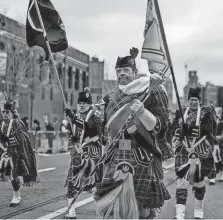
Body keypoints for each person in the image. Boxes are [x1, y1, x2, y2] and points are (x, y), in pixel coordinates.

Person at [95, 48, 170, 219]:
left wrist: (143, 112)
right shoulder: (110, 98)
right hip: (116, 155)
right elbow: (107, 131)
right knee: (111, 205)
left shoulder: (150, 91)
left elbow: (158, 127)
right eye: (119, 70)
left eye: (126, 70)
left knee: (142, 207)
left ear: (135, 72)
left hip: (141, 154)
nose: (122, 73)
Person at [0, 101, 39, 212]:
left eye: (7, 112)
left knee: (11, 175)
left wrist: (9, 139)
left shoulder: (16, 123)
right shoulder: (0, 121)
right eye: (3, 112)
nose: (5, 114)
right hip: (0, 151)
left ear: (11, 112)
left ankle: (16, 196)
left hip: (12, 152)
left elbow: (21, 140)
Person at [172, 87, 217, 219]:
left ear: (199, 101)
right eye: (191, 100)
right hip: (183, 150)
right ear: (188, 100)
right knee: (182, 182)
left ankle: (198, 211)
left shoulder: (205, 114)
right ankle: (179, 214)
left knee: (199, 183)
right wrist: (178, 132)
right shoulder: (180, 113)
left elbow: (211, 131)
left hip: (199, 151)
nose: (193, 102)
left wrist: (200, 132)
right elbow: (173, 128)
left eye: (196, 100)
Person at [64, 87, 103, 219]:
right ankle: (71, 212)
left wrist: (73, 118)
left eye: (84, 104)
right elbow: (73, 134)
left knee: (95, 185)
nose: (81, 106)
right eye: (80, 104)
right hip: (78, 155)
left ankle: (103, 210)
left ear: (90, 104)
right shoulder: (76, 117)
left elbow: (91, 129)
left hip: (92, 156)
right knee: (72, 183)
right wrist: (73, 141)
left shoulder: (95, 115)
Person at [209, 119, 223, 184]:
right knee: (211, 161)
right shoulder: (209, 124)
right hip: (210, 145)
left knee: (218, 161)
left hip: (219, 146)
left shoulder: (222, 125)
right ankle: (212, 177)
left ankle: (221, 173)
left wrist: (222, 136)